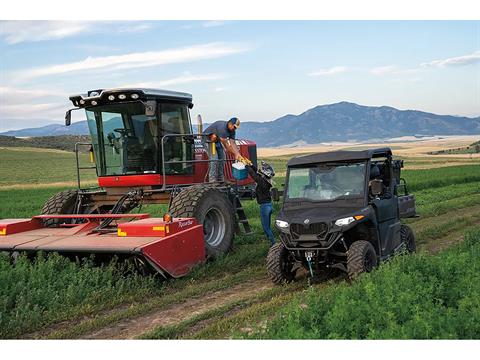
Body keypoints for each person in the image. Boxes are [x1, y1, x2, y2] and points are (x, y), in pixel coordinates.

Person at [203, 117, 244, 182]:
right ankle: (212, 180)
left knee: (223, 158)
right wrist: (235, 154)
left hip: (217, 140)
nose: (235, 129)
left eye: (236, 128)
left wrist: (238, 154)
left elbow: (232, 143)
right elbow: (227, 146)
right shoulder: (222, 128)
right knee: (214, 158)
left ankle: (220, 178)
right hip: (208, 141)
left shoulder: (232, 131)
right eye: (234, 127)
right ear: (230, 123)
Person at [246, 161, 276, 246]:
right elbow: (257, 173)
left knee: (266, 228)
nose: (261, 171)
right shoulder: (266, 181)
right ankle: (270, 242)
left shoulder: (262, 182)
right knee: (268, 227)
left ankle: (273, 244)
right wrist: (251, 165)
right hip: (268, 206)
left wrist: (246, 166)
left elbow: (254, 175)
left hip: (264, 207)